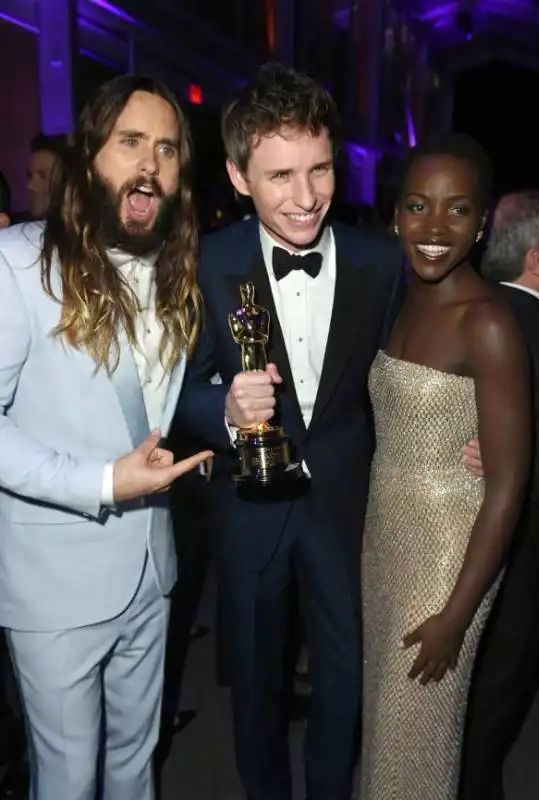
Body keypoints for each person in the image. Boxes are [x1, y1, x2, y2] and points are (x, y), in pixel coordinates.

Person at [176, 64, 481, 800]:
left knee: (345, 681)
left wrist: (469, 431)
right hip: (247, 514)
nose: (305, 197)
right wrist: (220, 410)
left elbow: (424, 354)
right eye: (279, 176)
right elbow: (169, 396)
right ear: (238, 175)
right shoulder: (204, 264)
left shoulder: (381, 261)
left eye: (318, 170)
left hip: (348, 505)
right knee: (252, 687)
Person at [0, 74, 212, 800]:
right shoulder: (18, 265)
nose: (149, 163)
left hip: (152, 572)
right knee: (65, 781)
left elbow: (156, 411)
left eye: (166, 149)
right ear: (91, 157)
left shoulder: (176, 277)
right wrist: (99, 483)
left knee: (134, 764)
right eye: (130, 143)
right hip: (53, 586)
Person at [358, 133, 531, 800]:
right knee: (383, 732)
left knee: (416, 741)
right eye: (416, 206)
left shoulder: (487, 323)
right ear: (395, 212)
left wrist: (456, 615)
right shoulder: (410, 295)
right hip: (387, 541)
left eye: (456, 210)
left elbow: (508, 485)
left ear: (483, 221)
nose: (433, 228)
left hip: (446, 560)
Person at [459, 191, 539, 800]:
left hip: (447, 540)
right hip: (523, 554)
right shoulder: (537, 327)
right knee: (493, 707)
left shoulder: (459, 309)